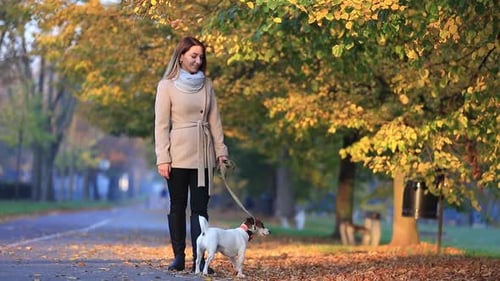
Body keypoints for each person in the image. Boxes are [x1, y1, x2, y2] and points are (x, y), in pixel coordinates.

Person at [154, 36, 229, 273]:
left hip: (203, 156)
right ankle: (178, 256)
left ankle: (200, 260)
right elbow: (161, 125)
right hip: (177, 155)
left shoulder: (207, 85)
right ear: (181, 56)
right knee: (177, 206)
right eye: (193, 56)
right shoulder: (166, 85)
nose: (198, 60)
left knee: (200, 210)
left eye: (201, 57)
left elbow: (214, 121)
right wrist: (163, 158)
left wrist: (221, 152)